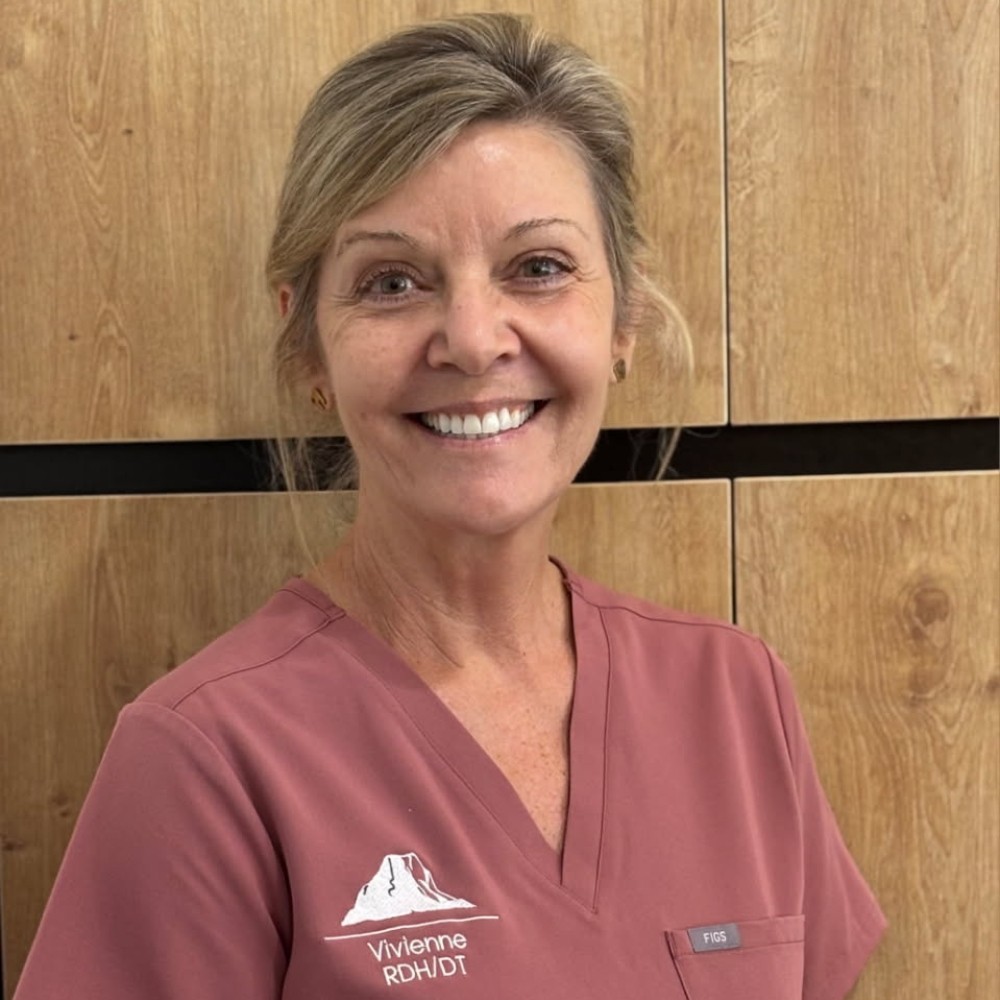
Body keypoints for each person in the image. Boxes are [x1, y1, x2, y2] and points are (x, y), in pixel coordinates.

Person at [14, 13, 885, 999]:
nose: (472, 340)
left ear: (623, 319)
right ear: (306, 345)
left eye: (539, 267)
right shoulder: (205, 759)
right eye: (392, 281)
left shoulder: (734, 700)